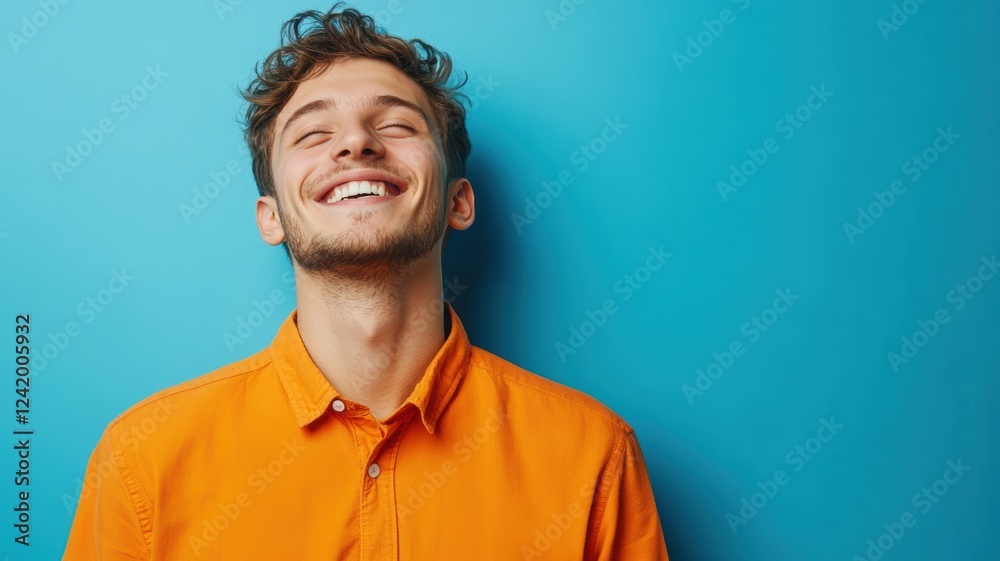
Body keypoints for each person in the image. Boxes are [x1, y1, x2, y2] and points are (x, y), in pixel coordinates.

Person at [63, 5, 669, 560]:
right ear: (270, 217)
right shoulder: (144, 461)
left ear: (459, 202)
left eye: (398, 125)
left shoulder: (591, 455)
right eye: (313, 134)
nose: (356, 142)